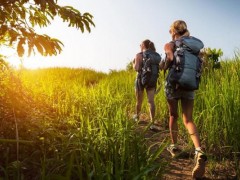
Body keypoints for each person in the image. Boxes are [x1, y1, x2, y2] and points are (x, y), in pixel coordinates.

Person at [160, 20, 207, 178]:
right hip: (189, 85)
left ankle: (173, 146)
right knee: (189, 120)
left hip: (173, 85)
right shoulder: (194, 46)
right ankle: (199, 150)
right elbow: (202, 63)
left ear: (173, 31)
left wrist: (163, 64)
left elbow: (168, 61)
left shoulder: (171, 44)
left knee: (173, 115)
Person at [132, 39, 161, 131]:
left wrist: (133, 63)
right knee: (151, 101)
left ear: (143, 45)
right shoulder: (155, 55)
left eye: (140, 44)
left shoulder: (139, 55)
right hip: (151, 79)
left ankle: (137, 116)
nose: (140, 46)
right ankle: (152, 122)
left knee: (139, 100)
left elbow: (136, 68)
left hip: (140, 79)